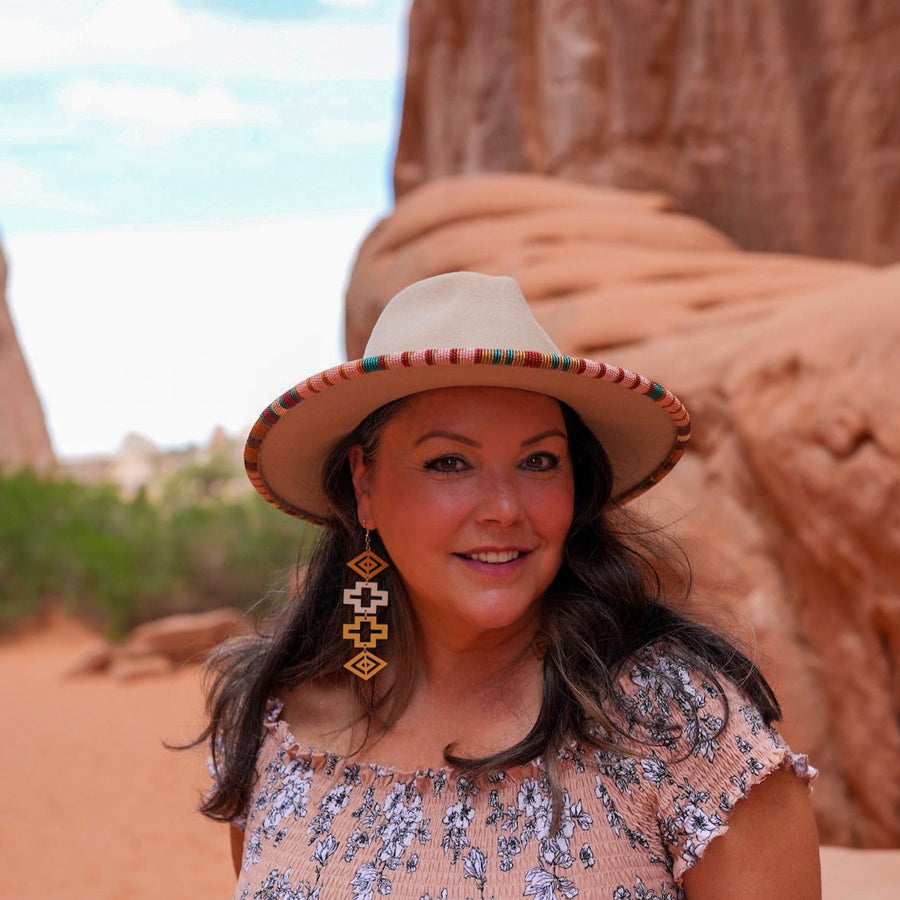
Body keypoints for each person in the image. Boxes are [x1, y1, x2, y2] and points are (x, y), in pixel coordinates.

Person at [196, 271, 821, 899]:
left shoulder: (680, 731)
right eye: (449, 462)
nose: (503, 508)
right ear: (364, 485)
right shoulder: (274, 726)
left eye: (539, 461)